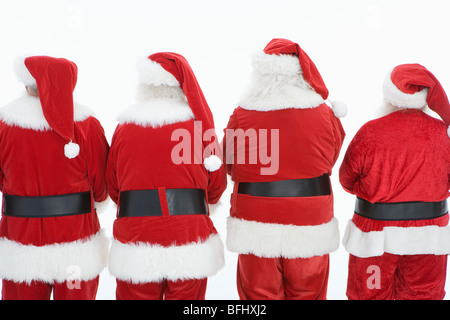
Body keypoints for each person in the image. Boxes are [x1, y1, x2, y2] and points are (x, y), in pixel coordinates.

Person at [223, 38, 346, 300]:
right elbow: (329, 160)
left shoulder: (243, 114)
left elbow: (229, 165)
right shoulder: (324, 114)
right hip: (310, 217)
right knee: (308, 293)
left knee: (258, 294)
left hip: (255, 217)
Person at [106, 52, 227, 300]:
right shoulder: (198, 127)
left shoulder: (124, 127)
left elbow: (112, 184)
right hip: (188, 235)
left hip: (136, 236)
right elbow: (216, 185)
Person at [0, 55, 110, 300]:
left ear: (27, 85)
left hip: (21, 241)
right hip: (76, 242)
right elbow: (102, 186)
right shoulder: (87, 126)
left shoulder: (4, 126)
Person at [340, 63, 450, 300]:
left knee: (370, 294)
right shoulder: (442, 134)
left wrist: (374, 190)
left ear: (389, 95)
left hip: (376, 240)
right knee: (423, 295)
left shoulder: (370, 132)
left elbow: (346, 179)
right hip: (429, 239)